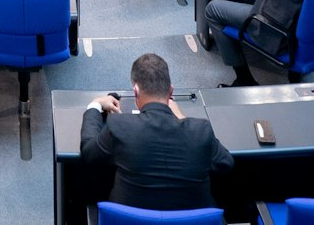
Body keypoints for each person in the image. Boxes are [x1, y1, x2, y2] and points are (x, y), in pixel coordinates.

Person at [79, 53, 233, 211]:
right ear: (171, 92)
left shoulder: (119, 126)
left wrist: (95, 104)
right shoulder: (201, 131)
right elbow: (226, 163)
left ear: (136, 92)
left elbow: (89, 152)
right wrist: (181, 118)